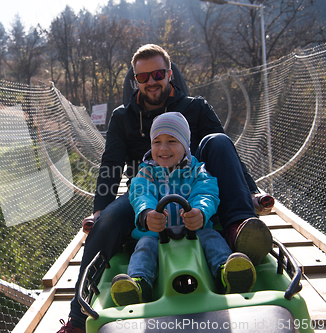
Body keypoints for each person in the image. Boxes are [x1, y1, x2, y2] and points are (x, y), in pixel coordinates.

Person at [57, 44, 272, 333]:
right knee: (106, 222)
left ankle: (238, 227)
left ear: (169, 74)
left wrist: (252, 190)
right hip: (146, 192)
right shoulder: (123, 117)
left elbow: (226, 153)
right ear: (135, 80)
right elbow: (111, 166)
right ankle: (79, 319)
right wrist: (99, 211)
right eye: (142, 77)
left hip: (196, 185)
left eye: (157, 74)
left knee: (218, 140)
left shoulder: (195, 107)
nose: (151, 82)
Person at [110, 112, 256, 307]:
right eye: (157, 142)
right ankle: (138, 284)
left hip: (194, 230)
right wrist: (147, 214)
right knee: (144, 246)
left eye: (172, 141)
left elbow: (207, 191)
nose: (163, 148)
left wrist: (200, 212)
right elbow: (140, 192)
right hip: (157, 233)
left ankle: (226, 272)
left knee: (212, 238)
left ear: (185, 145)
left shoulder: (197, 169)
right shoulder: (147, 170)